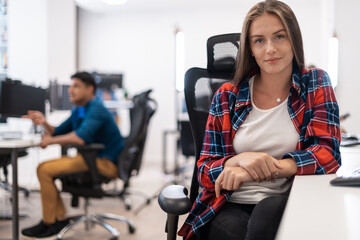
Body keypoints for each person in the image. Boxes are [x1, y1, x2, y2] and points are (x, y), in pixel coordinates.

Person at [178, 1, 341, 240]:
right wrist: (238, 161)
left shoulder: (314, 83)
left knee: (269, 211)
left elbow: (328, 154)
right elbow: (204, 170)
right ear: (250, 49)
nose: (270, 49)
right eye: (259, 40)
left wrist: (256, 171)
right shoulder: (227, 96)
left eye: (279, 37)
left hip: (286, 200)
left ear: (293, 39)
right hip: (229, 203)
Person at [21, 71, 125, 238]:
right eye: (70, 86)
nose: (70, 90)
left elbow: (79, 138)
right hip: (89, 159)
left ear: (90, 89)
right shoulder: (80, 110)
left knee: (44, 169)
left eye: (75, 86)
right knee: (45, 169)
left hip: (104, 162)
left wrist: (49, 142)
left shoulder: (96, 108)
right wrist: (44, 122)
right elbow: (57, 132)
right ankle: (59, 218)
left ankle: (50, 222)